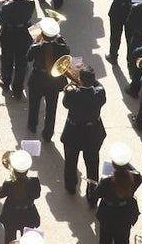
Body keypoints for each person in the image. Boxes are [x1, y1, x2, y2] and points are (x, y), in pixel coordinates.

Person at [60, 64, 107, 196]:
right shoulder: (99, 92)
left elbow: (65, 104)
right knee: (92, 165)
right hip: (92, 132)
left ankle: (70, 187)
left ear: (80, 80)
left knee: (70, 162)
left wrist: (77, 80)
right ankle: (92, 193)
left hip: (73, 132)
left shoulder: (71, 93)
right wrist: (85, 78)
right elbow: (97, 85)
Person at [26, 17, 71, 140]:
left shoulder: (36, 47)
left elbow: (28, 58)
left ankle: (32, 125)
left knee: (34, 104)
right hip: (54, 80)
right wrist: (59, 37)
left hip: (37, 78)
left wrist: (35, 42)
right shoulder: (61, 47)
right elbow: (67, 50)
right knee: (51, 108)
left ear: (42, 34)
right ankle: (48, 133)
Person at [90, 143, 141, 244]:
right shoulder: (135, 178)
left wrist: (99, 184)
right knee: (123, 240)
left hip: (108, 214)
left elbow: (96, 194)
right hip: (125, 214)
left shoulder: (106, 181)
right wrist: (124, 163)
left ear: (113, 164)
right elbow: (138, 174)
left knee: (105, 240)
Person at [0, 0, 36, 99]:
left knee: (7, 60)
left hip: (9, 34)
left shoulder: (7, 5)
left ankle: (6, 83)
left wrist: (3, 2)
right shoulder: (30, 3)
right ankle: (18, 90)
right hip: (24, 34)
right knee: (21, 63)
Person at [0, 150, 41, 244]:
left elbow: (0, 194)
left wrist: (8, 180)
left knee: (9, 239)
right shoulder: (34, 182)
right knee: (28, 240)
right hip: (29, 214)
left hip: (11, 214)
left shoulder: (9, 182)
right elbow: (37, 195)